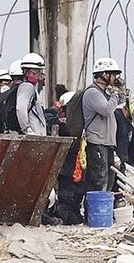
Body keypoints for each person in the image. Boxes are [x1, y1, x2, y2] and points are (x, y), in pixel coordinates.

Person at [83, 57, 123, 193]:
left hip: (107, 142)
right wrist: (114, 95)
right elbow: (106, 110)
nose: (115, 78)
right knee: (99, 180)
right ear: (104, 74)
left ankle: (103, 212)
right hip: (97, 142)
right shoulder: (92, 92)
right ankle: (94, 212)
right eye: (113, 74)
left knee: (109, 178)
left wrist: (118, 91)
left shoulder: (105, 93)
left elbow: (120, 100)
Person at [53, 91, 85, 225]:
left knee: (73, 199)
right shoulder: (66, 124)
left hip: (72, 169)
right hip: (69, 170)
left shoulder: (68, 124)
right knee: (68, 199)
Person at [14, 53, 48, 136]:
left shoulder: (31, 88)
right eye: (35, 71)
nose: (39, 74)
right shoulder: (27, 87)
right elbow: (20, 108)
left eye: (39, 71)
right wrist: (27, 130)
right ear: (26, 72)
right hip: (33, 137)